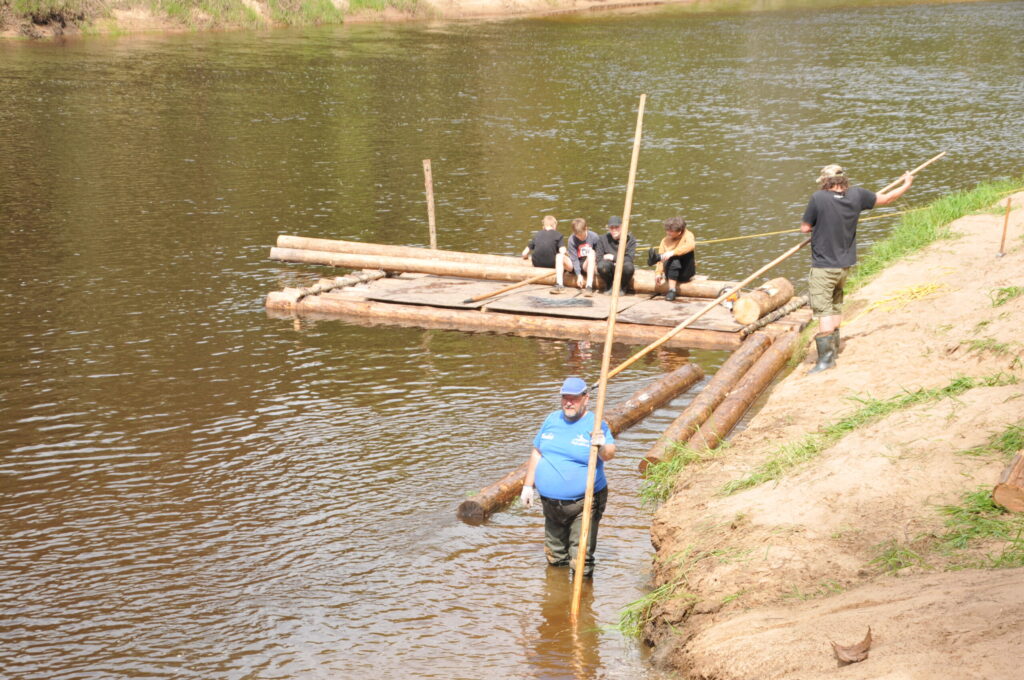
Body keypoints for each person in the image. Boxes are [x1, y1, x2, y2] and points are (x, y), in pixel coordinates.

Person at [800, 164, 914, 372]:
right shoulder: (857, 195)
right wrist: (906, 184)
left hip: (824, 266)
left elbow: (805, 228)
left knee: (824, 310)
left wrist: (817, 226)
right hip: (844, 266)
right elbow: (887, 199)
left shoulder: (818, 198)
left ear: (825, 182)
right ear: (844, 180)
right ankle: (834, 350)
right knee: (835, 305)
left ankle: (826, 360)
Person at [520, 377, 615, 579]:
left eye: (574, 398)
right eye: (565, 398)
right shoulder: (552, 419)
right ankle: (557, 595)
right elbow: (537, 452)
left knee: (581, 557)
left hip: (585, 502)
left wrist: (601, 444)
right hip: (551, 504)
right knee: (554, 555)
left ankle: (583, 603)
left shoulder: (595, 423)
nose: (568, 403)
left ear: (586, 398)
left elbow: (609, 454)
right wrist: (528, 486)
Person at [653, 216, 696, 301]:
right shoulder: (664, 241)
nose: (668, 233)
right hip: (671, 270)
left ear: (679, 232)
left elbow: (691, 245)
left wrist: (673, 252)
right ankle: (672, 290)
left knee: (684, 253)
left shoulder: (688, 235)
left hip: (685, 272)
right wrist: (658, 273)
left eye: (671, 232)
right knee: (672, 259)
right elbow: (661, 258)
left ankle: (675, 283)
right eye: (667, 231)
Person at [521, 215, 568, 292]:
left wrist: (526, 257)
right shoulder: (558, 235)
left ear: (544, 225)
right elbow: (562, 250)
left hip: (537, 263)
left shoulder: (537, 234)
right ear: (554, 225)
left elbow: (524, 253)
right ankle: (560, 284)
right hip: (551, 264)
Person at [594, 215, 637, 294]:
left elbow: (629, 258)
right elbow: (599, 258)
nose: (614, 230)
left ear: (622, 227)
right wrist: (613, 261)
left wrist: (613, 257)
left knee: (629, 267)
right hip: (609, 267)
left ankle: (622, 286)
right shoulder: (602, 239)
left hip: (623, 267)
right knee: (601, 266)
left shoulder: (631, 240)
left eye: (616, 227)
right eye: (611, 228)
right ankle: (609, 285)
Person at [566, 218, 599, 296]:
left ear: (586, 228)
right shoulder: (571, 239)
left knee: (591, 253)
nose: (580, 237)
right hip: (577, 264)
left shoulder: (594, 237)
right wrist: (578, 275)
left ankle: (589, 286)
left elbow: (599, 254)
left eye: (581, 235)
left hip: (589, 264)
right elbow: (574, 259)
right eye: (577, 235)